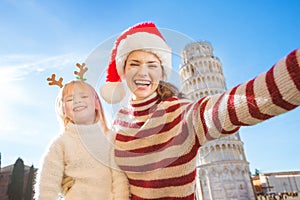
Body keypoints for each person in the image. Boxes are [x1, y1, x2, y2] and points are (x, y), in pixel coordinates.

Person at [64, 22, 300, 199]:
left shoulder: (184, 114)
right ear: (123, 74)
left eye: (152, 64)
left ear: (161, 72)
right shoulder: (118, 126)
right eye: (134, 64)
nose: (143, 72)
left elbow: (244, 101)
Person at [35, 63, 130, 200]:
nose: (77, 101)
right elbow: (47, 184)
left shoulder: (110, 137)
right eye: (69, 99)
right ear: (63, 110)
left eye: (84, 96)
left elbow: (119, 178)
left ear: (96, 104)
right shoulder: (61, 143)